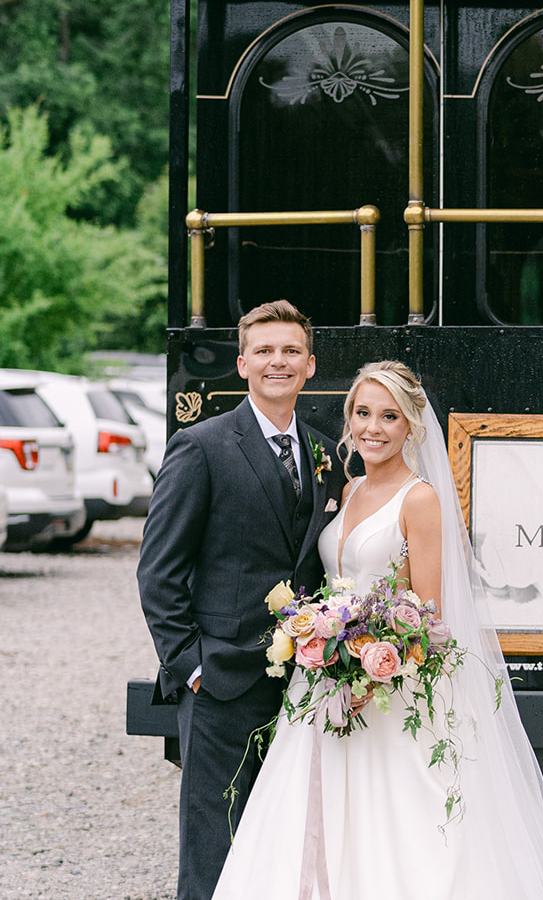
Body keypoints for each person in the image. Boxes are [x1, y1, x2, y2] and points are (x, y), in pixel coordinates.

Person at [212, 361, 543, 899]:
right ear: (349, 420)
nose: (373, 427)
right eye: (362, 413)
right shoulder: (348, 489)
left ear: (410, 425)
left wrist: (369, 676)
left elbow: (427, 614)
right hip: (323, 685)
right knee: (310, 813)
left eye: (389, 416)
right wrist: (317, 639)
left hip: (388, 691)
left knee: (397, 824)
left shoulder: (420, 499)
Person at [138, 301, 346, 900]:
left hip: (302, 683)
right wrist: (192, 664)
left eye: (289, 352)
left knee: (282, 841)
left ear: (310, 366)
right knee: (214, 845)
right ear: (242, 364)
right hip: (221, 679)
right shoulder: (200, 446)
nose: (276, 362)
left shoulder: (325, 450)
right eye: (264, 351)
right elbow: (158, 572)